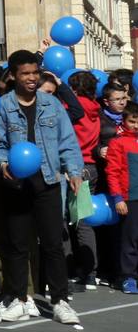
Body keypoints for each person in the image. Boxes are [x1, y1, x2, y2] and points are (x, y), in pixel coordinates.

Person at [0, 50, 84, 325]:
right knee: (18, 245)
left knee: (53, 244)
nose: (32, 78)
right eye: (25, 73)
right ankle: (21, 299)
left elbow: (67, 139)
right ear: (13, 75)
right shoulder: (2, 106)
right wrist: (2, 164)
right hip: (17, 184)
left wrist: (74, 170)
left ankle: (59, 301)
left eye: (35, 72)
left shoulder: (51, 104)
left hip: (48, 181)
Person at [68, 69, 102, 291]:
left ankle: (86, 272)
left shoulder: (74, 108)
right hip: (91, 166)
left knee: (76, 222)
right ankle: (89, 271)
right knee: (84, 220)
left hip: (77, 166)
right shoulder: (96, 109)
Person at [103, 103, 138, 294]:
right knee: (130, 239)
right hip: (130, 198)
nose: (136, 125)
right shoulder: (118, 143)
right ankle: (127, 276)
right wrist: (118, 198)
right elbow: (113, 172)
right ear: (124, 121)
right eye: (132, 121)